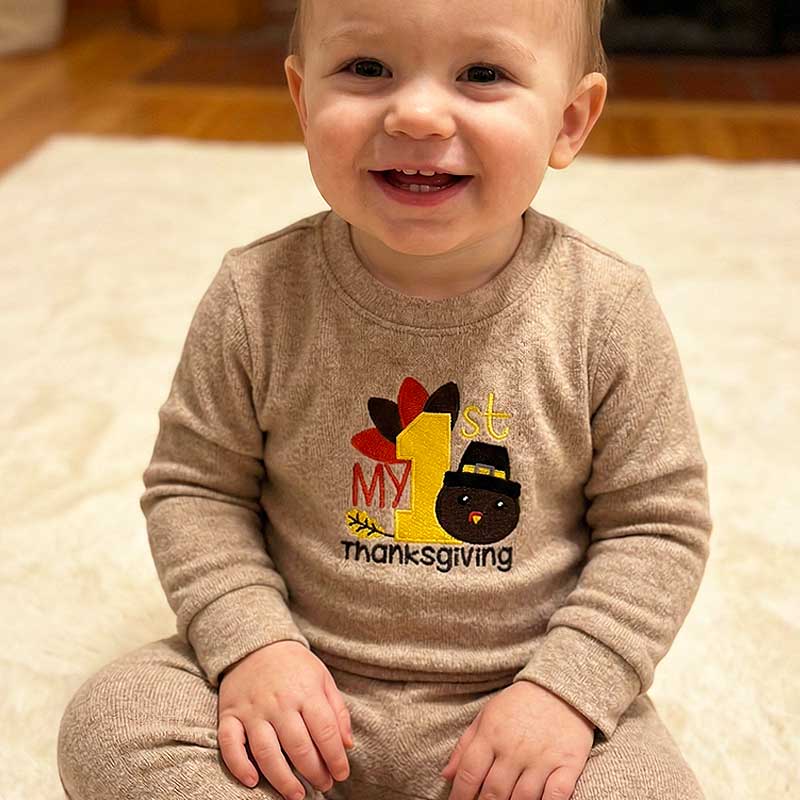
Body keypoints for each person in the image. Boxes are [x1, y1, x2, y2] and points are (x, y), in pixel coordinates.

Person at [56, 1, 713, 799]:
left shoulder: (605, 312)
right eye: (367, 68)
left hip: (516, 704)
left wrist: (566, 694)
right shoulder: (256, 296)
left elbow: (657, 526)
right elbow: (197, 490)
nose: (417, 114)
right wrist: (254, 647)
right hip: (302, 689)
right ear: (303, 99)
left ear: (570, 121)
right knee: (110, 721)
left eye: (482, 73)